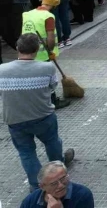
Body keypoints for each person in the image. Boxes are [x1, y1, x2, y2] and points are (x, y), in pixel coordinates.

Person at [0, 34, 75, 189]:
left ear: (17, 48)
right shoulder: (47, 67)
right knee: (52, 142)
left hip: (15, 119)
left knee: (26, 152)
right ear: (37, 49)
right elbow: (52, 87)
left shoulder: (2, 69)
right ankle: (58, 169)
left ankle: (38, 186)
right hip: (43, 116)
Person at [20, 160, 95, 208]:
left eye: (63, 179)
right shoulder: (30, 201)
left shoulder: (82, 195)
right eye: (54, 184)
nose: (61, 185)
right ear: (42, 186)